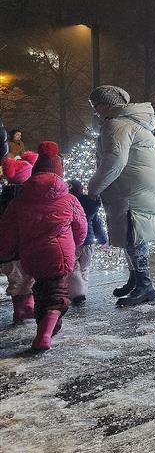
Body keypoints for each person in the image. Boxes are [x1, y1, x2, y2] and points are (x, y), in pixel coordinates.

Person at [0, 142, 87, 351]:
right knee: (56, 296)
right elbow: (81, 227)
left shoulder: (19, 203)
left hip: (32, 257)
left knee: (41, 289)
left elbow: (8, 232)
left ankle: (43, 323)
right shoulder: (70, 200)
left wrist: (5, 252)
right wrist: (74, 245)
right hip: (60, 255)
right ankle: (44, 335)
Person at [87, 85, 155, 307]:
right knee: (131, 234)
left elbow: (114, 161)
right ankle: (136, 279)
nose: (95, 111)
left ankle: (145, 285)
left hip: (130, 188)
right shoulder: (134, 122)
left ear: (107, 104)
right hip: (137, 185)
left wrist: (93, 187)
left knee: (134, 233)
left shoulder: (116, 124)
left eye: (96, 105)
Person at [0, 151, 38, 323]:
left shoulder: (4, 197)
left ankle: (18, 311)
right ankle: (29, 307)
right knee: (29, 279)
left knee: (15, 281)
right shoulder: (31, 197)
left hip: (8, 250)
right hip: (28, 248)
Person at [67, 180, 108, 305]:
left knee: (72, 268)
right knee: (84, 269)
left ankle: (76, 293)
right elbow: (97, 224)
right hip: (88, 242)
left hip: (72, 242)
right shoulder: (90, 206)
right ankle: (82, 292)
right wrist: (103, 240)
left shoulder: (67, 203)